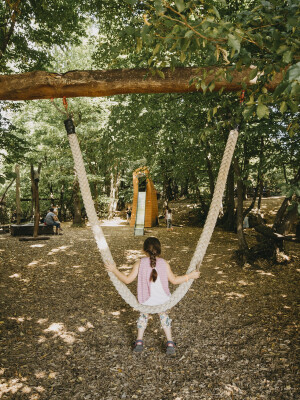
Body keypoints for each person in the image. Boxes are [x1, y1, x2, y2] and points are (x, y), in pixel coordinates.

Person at [105, 237, 200, 355]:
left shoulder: (140, 263)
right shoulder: (164, 263)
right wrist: (190, 276)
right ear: (159, 250)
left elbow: (127, 280)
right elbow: (174, 280)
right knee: (164, 315)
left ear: (144, 250)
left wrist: (114, 270)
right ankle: (170, 342)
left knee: (143, 314)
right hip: (162, 300)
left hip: (146, 300)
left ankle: (139, 341)